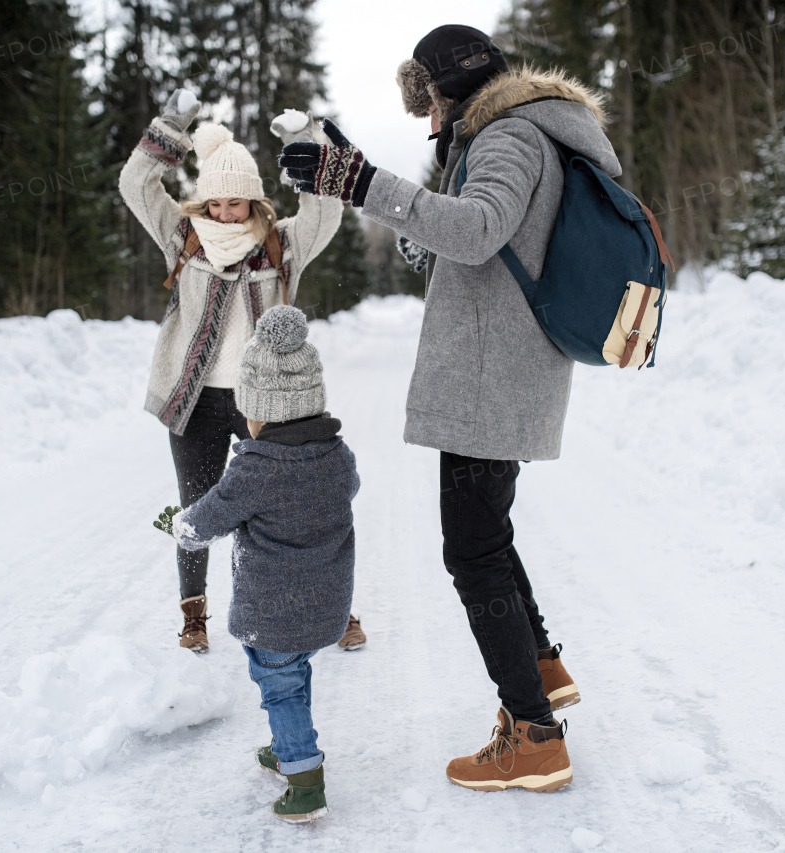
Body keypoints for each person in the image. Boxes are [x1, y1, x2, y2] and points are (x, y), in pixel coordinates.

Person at [279, 24, 624, 792]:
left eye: (432, 104)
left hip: (487, 375)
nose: (431, 123)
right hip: (501, 367)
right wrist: (368, 175)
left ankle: (534, 734)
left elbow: (473, 232)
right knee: (487, 538)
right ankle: (540, 664)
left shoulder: (508, 137)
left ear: (455, 87)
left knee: (471, 551)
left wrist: (363, 183)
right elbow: (458, 246)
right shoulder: (524, 131)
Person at [120, 88, 366, 654]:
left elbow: (325, 209)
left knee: (303, 510)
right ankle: (194, 616)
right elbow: (136, 184)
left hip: (272, 405)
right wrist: (172, 127)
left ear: (255, 202)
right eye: (215, 203)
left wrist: (305, 142)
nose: (225, 213)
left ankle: (337, 611)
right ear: (203, 203)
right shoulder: (182, 239)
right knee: (198, 506)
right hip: (198, 400)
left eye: (236, 203)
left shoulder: (281, 246)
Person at [169, 305, 358, 823]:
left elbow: (209, 518)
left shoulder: (255, 469)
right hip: (325, 608)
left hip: (273, 615)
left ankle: (304, 779)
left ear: (262, 411)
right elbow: (349, 490)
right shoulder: (337, 457)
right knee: (294, 675)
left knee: (280, 684)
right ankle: (290, 742)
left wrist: (182, 527)